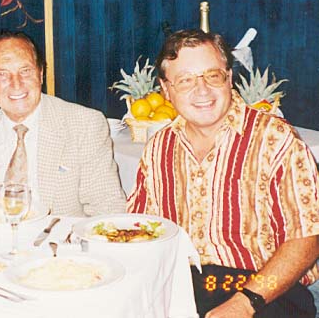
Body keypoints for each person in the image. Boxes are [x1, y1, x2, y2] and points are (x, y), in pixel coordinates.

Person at [127, 29, 319, 318]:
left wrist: (246, 302)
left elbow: (307, 238)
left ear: (229, 79)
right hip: (182, 288)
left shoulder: (275, 138)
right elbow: (142, 231)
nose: (202, 90)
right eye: (185, 80)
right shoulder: (159, 148)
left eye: (212, 76)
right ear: (166, 90)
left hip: (266, 289)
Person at [0, 30, 126, 216]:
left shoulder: (84, 125)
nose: (16, 83)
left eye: (25, 71)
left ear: (41, 73)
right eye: (2, 74)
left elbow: (108, 208)